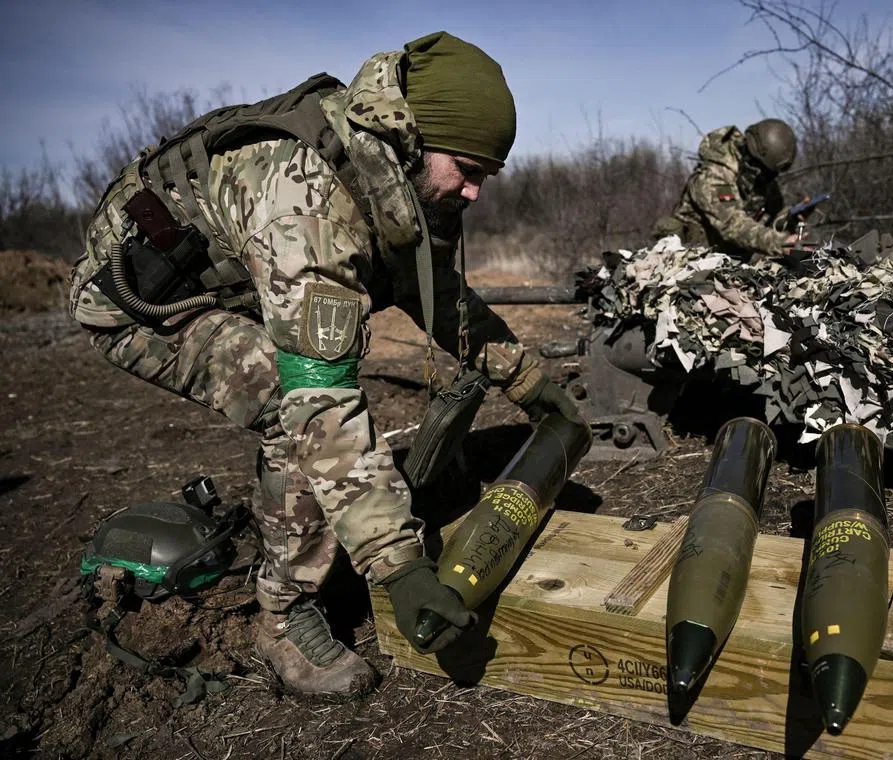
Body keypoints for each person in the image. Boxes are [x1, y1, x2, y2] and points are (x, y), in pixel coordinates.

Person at [67, 31, 583, 700]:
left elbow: (442, 297)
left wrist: (531, 385)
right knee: (294, 410)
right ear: (416, 137)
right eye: (468, 168)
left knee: (313, 401)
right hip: (139, 306)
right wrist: (400, 567)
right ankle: (282, 619)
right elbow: (321, 401)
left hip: (232, 282)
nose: (476, 192)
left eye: (488, 174)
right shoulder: (307, 203)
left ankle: (309, 546)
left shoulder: (395, 178)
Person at [654, 119, 800, 262]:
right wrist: (778, 243)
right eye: (767, 173)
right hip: (691, 259)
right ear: (753, 160)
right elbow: (732, 224)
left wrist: (790, 219)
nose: (770, 178)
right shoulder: (713, 176)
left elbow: (774, 212)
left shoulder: (758, 176)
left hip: (728, 260)